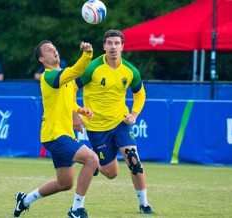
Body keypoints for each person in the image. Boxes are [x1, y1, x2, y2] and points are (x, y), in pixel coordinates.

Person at [13, 40, 98, 218]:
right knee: (92, 159)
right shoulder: (49, 76)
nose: (54, 51)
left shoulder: (62, 77)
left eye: (54, 48)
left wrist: (81, 110)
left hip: (63, 133)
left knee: (65, 183)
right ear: (42, 59)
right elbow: (76, 71)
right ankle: (76, 210)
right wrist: (87, 54)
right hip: (54, 135)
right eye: (49, 50)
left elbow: (69, 102)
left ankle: (25, 200)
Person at [74, 29, 154, 214]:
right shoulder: (92, 68)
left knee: (134, 161)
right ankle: (94, 163)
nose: (113, 47)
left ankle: (144, 204)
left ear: (122, 46)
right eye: (109, 43)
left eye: (117, 43)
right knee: (112, 173)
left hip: (121, 123)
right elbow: (71, 89)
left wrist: (134, 114)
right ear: (104, 46)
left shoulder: (131, 71)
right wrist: (75, 114)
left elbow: (140, 94)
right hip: (97, 127)